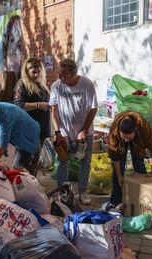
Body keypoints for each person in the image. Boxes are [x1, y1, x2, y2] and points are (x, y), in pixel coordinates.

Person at [49, 58, 98, 205]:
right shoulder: (57, 86)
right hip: (64, 133)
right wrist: (58, 132)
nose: (60, 77)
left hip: (84, 133)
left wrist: (84, 130)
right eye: (59, 73)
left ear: (73, 73)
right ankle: (63, 191)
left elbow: (93, 108)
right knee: (63, 161)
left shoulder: (86, 84)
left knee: (85, 161)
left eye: (63, 75)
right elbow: (54, 110)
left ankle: (83, 191)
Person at [0, 93, 40, 171]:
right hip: (22, 134)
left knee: (22, 170)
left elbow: (2, 145)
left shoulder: (5, 116)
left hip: (29, 137)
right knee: (18, 165)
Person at [108, 110, 152, 206]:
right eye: (124, 138)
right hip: (119, 141)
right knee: (118, 172)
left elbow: (150, 148)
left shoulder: (143, 128)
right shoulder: (114, 131)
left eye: (128, 138)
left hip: (138, 140)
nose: (126, 140)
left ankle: (142, 198)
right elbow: (115, 155)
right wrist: (119, 175)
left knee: (139, 163)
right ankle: (115, 201)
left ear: (135, 131)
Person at [13, 57, 50, 176]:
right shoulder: (22, 84)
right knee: (23, 161)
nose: (36, 74)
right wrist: (38, 105)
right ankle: (20, 185)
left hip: (42, 127)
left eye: (39, 72)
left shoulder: (41, 84)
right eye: (33, 72)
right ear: (26, 71)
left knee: (35, 161)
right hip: (27, 128)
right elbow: (18, 105)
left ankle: (31, 187)